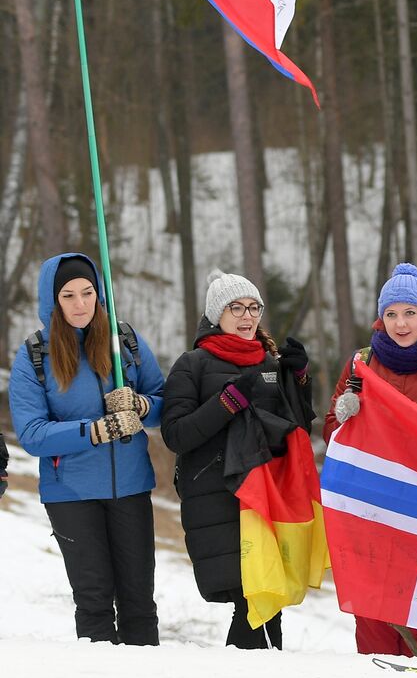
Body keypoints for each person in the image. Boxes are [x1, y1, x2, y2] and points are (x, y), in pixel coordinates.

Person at [8, 253, 164, 644]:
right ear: (53, 301)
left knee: (139, 603)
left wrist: (141, 405)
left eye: (88, 292)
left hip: (130, 487)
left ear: (99, 294)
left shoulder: (123, 340)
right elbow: (32, 434)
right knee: (94, 601)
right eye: (68, 295)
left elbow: (167, 401)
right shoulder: (34, 356)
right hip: (71, 493)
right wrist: (94, 430)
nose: (80, 304)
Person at [161, 270, 314, 649]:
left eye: (253, 308)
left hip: (267, 492)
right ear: (217, 314)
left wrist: (298, 379)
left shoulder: (270, 362)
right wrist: (228, 401)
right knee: (249, 594)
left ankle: (261, 677)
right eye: (236, 308)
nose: (247, 317)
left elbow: (295, 429)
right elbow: (176, 435)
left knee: (266, 594)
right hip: (218, 493)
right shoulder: (192, 364)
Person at [326, 262, 417, 660]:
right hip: (369, 502)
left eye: (409, 313)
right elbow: (331, 432)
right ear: (380, 317)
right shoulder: (361, 363)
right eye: (391, 314)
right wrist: (347, 415)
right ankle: (374, 674)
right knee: (371, 601)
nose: (400, 323)